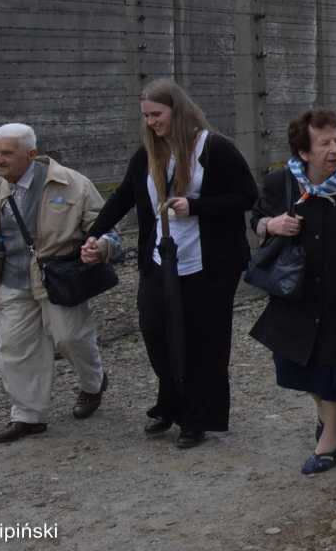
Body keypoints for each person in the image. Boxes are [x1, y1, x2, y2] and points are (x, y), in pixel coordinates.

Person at [84, 79, 258, 449]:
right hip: (161, 259)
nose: (151, 123)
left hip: (208, 264)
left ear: (177, 111)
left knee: (202, 341)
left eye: (156, 115)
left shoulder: (214, 148)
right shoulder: (147, 152)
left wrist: (195, 206)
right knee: (155, 330)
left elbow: (247, 196)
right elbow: (123, 198)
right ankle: (170, 403)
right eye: (146, 116)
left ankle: (197, 419)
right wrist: (93, 234)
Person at [248, 110, 336, 475]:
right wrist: (272, 224)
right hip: (297, 298)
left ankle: (330, 441)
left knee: (335, 370)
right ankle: (325, 418)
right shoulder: (280, 183)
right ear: (304, 152)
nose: (335, 149)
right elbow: (255, 219)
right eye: (325, 143)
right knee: (302, 368)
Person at [0, 123, 120, 443]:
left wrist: (100, 247)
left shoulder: (73, 185)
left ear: (30, 154)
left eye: (6, 154)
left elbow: (108, 230)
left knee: (70, 338)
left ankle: (93, 383)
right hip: (13, 281)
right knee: (13, 348)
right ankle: (28, 415)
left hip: (59, 280)